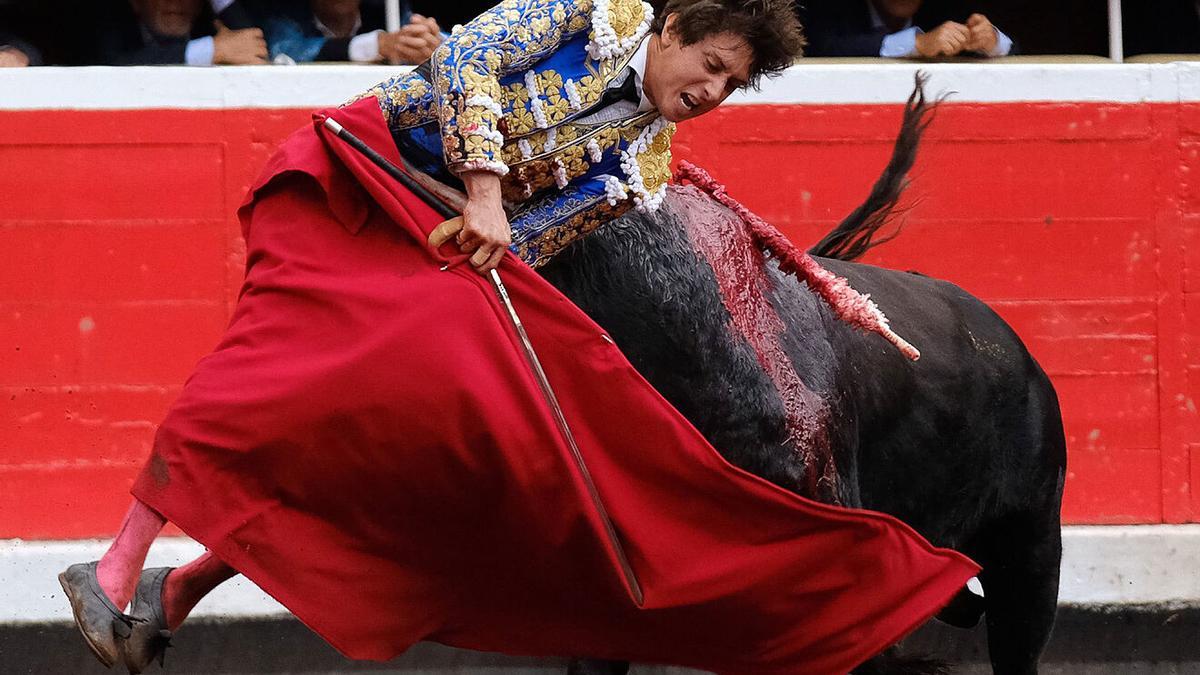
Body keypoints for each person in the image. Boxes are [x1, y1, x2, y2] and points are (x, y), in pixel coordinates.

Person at [60, 1, 978, 673]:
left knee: (437, 422)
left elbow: (533, 247)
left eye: (732, 84)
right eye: (710, 62)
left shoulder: (645, 165)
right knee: (273, 379)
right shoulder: (593, 15)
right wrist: (488, 197)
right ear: (671, 30)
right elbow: (465, 62)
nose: (710, 89)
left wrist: (488, 238)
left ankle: (180, 587)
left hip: (439, 242)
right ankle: (118, 564)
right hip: (365, 174)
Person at [801, 0, 1015, 59]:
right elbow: (821, 47)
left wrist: (991, 40)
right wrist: (917, 44)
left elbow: (1023, 51)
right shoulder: (828, 6)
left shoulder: (945, 8)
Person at [255, 0, 442, 64]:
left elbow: (413, 36)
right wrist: (378, 44)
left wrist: (434, 43)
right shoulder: (285, 13)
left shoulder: (387, 11)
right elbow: (287, 50)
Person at [98, 0, 267, 65]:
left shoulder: (211, 28)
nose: (174, 2)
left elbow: (251, 48)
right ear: (135, 3)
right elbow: (113, 61)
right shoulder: (109, 26)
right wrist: (212, 51)